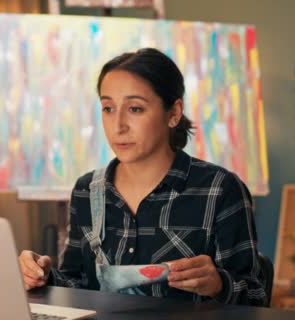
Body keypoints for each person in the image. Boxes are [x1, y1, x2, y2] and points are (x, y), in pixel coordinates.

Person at [18, 48, 267, 306]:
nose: (118, 126)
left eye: (135, 109)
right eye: (108, 108)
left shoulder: (220, 189)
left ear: (173, 113)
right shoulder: (87, 190)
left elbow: (256, 297)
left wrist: (219, 284)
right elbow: (75, 283)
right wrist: (41, 276)